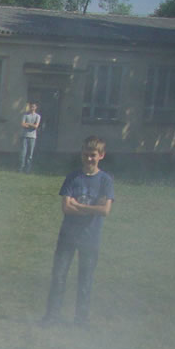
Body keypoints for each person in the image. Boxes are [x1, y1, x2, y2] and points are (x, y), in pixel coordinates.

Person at [41, 136, 114, 327]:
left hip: (91, 237)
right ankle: (52, 316)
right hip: (68, 236)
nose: (89, 159)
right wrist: (89, 208)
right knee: (59, 276)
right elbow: (66, 208)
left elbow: (104, 210)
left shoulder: (105, 180)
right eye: (86, 155)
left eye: (93, 155)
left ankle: (81, 319)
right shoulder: (73, 178)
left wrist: (78, 205)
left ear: (101, 156)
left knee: (85, 280)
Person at [20, 102, 41, 172]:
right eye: (31, 107)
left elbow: (36, 126)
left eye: (33, 107)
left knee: (30, 154)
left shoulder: (37, 116)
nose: (32, 108)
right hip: (25, 136)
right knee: (23, 153)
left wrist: (28, 124)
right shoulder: (25, 115)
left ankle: (28, 169)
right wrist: (31, 125)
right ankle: (21, 168)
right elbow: (22, 124)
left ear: (36, 108)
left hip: (33, 137)